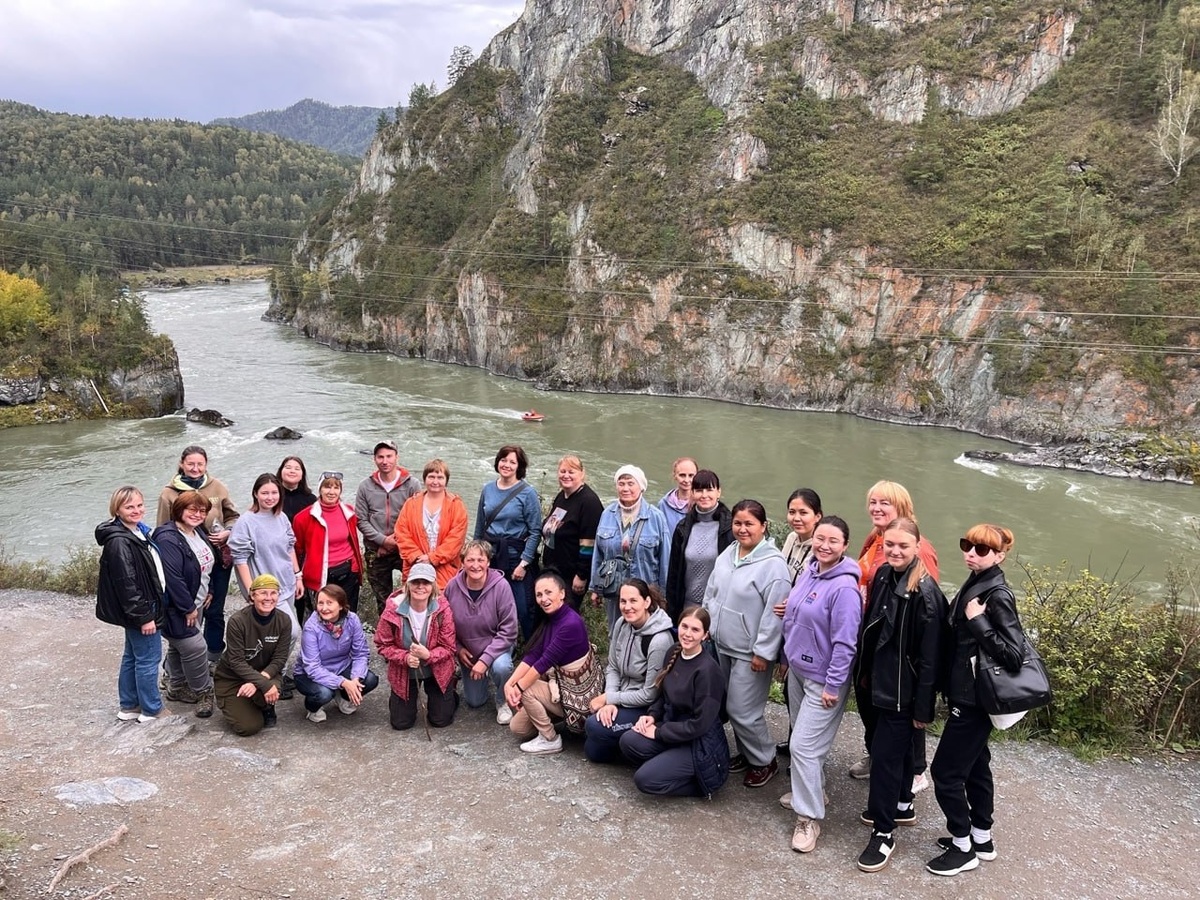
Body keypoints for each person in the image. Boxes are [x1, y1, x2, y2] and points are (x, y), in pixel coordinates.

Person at [926, 524, 1021, 877]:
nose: (970, 553)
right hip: (967, 693)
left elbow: (1013, 654)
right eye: (967, 545)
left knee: (945, 772)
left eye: (981, 550)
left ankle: (962, 847)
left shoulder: (997, 594)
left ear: (999, 556)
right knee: (976, 765)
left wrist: (979, 622)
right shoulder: (977, 580)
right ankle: (981, 837)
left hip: (973, 699)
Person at [854, 517, 944, 872]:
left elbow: (931, 659)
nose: (895, 551)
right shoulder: (883, 575)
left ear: (917, 547)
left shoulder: (925, 594)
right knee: (897, 751)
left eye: (903, 546)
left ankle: (883, 832)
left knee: (884, 759)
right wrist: (864, 674)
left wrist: (923, 709)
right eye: (889, 544)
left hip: (902, 692)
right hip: (880, 682)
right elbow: (872, 630)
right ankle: (903, 804)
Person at [779, 516, 862, 853]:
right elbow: (797, 616)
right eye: (820, 538)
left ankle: (808, 817)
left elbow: (845, 643)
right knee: (803, 740)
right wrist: (786, 655)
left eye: (833, 541)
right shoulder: (809, 571)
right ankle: (815, 790)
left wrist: (834, 685)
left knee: (802, 747)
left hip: (823, 680)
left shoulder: (845, 589)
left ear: (845, 546)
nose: (824, 546)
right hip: (799, 671)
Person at [850, 480, 940, 786]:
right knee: (871, 702)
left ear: (901, 507)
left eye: (884, 503)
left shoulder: (919, 547)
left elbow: (926, 603)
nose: (876, 508)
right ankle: (878, 755)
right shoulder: (876, 538)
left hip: (896, 645)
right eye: (873, 502)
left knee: (900, 707)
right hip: (871, 633)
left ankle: (914, 771)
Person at [703, 499, 792, 788]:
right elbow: (712, 591)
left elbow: (774, 615)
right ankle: (747, 753)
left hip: (750, 652)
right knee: (731, 706)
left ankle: (765, 760)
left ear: (763, 526)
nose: (742, 529)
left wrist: (763, 652)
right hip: (722, 644)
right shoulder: (728, 553)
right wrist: (705, 623)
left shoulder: (774, 566)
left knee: (743, 710)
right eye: (738, 523)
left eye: (749, 524)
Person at [618, 606, 729, 797]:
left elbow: (700, 725)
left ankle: (701, 783)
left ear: (705, 635)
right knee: (628, 741)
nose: (688, 634)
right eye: (684, 627)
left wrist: (659, 733)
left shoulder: (708, 671)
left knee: (644, 780)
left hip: (697, 742)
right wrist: (652, 716)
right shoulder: (674, 651)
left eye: (695, 630)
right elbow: (663, 694)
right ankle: (668, 764)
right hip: (672, 728)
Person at [156, 445, 238, 664]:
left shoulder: (217, 487)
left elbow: (233, 515)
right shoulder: (169, 493)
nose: (195, 468)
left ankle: (213, 656)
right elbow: (162, 529)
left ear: (206, 465)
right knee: (188, 609)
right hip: (185, 561)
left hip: (216, 557)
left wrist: (228, 532)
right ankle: (184, 661)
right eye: (190, 464)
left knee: (215, 609)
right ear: (181, 464)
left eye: (200, 464)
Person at [96, 485, 169, 723]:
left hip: (144, 605)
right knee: (148, 659)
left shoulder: (137, 531)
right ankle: (151, 709)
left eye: (139, 505)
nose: (136, 510)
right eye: (129, 507)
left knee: (132, 656)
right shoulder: (119, 541)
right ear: (117, 510)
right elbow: (126, 584)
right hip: (144, 607)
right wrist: (144, 617)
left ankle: (129, 705)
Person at [228, 473, 303, 696]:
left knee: (281, 632)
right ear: (255, 494)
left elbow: (289, 547)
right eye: (265, 493)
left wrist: (298, 575)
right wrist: (252, 591)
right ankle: (273, 675)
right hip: (265, 590)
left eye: (274, 493)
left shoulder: (281, 517)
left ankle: (275, 673)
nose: (270, 497)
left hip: (286, 583)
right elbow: (240, 559)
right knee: (292, 631)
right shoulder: (246, 522)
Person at [583, 579, 674, 763]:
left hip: (646, 707)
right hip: (622, 697)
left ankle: (641, 744)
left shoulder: (659, 640)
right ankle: (624, 741)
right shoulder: (621, 624)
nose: (627, 607)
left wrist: (610, 698)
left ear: (646, 602)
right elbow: (613, 666)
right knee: (593, 751)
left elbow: (650, 694)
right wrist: (610, 700)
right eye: (623, 601)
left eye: (633, 601)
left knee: (594, 726)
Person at [504, 571, 592, 756]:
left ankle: (550, 739)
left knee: (527, 688)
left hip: (578, 697)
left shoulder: (570, 623)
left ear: (562, 593)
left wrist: (517, 688)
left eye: (548, 592)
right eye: (539, 595)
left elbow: (543, 663)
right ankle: (556, 717)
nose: (543, 599)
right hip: (561, 687)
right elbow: (534, 654)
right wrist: (509, 684)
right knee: (518, 728)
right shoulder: (552, 619)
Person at [151, 490, 217, 718]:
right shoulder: (168, 538)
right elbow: (173, 578)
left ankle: (176, 685)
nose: (197, 515)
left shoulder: (197, 532)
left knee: (178, 645)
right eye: (192, 510)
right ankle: (203, 691)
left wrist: (210, 589)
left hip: (197, 601)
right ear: (179, 510)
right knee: (195, 647)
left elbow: (205, 564)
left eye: (202, 511)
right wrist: (188, 608)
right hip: (178, 606)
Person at [375, 562, 459, 731]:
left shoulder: (443, 609)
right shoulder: (392, 610)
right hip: (405, 671)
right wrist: (404, 657)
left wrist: (429, 655)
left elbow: (449, 647)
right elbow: (382, 644)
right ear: (408, 584)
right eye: (415, 582)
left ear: (433, 585)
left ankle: (450, 695)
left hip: (436, 669)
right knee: (401, 723)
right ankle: (400, 701)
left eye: (426, 582)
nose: (420, 587)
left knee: (441, 720)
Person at [442, 540, 518, 724]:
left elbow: (509, 630)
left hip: (497, 648)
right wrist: (458, 649)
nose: (475, 565)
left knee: (502, 667)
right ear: (462, 562)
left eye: (480, 560)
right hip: (469, 652)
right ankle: (480, 677)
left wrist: (485, 660)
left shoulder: (501, 586)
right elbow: (445, 625)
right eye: (470, 560)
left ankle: (502, 700)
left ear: (488, 562)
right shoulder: (452, 587)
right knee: (475, 702)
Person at [773, 487, 824, 755]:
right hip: (787, 624)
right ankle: (795, 741)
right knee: (789, 691)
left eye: (803, 512)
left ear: (818, 516)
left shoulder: (821, 547)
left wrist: (792, 603)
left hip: (806, 628)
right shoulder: (792, 539)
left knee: (803, 692)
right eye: (792, 512)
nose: (796, 518)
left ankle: (804, 750)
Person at [474, 444, 542, 641]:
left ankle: (530, 648)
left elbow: (535, 531)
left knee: (523, 607)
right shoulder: (488, 489)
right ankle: (495, 646)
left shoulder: (527, 493)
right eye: (503, 460)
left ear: (519, 466)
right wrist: (475, 556)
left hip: (515, 559)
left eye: (512, 462)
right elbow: (480, 526)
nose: (507, 465)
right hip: (490, 557)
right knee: (490, 605)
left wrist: (524, 563)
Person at [589, 465, 670, 630]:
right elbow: (598, 554)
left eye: (630, 483)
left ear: (641, 486)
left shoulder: (656, 517)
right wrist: (595, 587)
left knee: (645, 632)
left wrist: (663, 595)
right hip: (614, 591)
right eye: (621, 483)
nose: (625, 488)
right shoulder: (607, 514)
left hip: (646, 591)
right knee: (616, 631)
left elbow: (665, 560)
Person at [212, 574, 292, 735]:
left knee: (269, 689)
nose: (268, 598)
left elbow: (279, 659)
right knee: (248, 727)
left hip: (266, 672)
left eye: (273, 593)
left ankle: (265, 705)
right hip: (233, 678)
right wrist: (263, 684)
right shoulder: (237, 621)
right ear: (252, 595)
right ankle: (237, 703)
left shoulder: (284, 620)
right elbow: (236, 662)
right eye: (263, 593)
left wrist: (258, 683)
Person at [294, 583, 379, 723]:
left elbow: (360, 653)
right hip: (309, 673)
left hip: (341, 666)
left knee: (369, 680)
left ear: (341, 605)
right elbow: (312, 667)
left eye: (329, 603)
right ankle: (313, 708)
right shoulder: (311, 627)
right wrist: (343, 682)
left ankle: (343, 696)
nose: (324, 608)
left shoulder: (352, 620)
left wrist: (355, 678)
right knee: (324, 693)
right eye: (320, 603)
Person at [355, 440, 420, 617]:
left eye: (389, 456)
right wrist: (382, 541)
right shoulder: (365, 486)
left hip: (405, 548)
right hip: (376, 549)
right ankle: (386, 630)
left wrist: (394, 541)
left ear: (397, 457)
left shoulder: (412, 484)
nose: (385, 461)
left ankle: (410, 628)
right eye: (380, 457)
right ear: (374, 459)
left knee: (412, 593)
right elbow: (361, 520)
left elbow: (415, 518)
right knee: (383, 601)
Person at [664, 469, 732, 623]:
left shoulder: (730, 527)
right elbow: (673, 575)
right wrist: (671, 613)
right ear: (693, 493)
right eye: (699, 490)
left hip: (719, 609)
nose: (704, 495)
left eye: (709, 490)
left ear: (719, 492)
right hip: (688, 609)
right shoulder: (683, 528)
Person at [294, 473, 364, 618]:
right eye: (327, 487)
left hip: (349, 573)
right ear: (320, 489)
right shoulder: (303, 518)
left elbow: (353, 540)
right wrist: (299, 576)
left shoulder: (349, 512)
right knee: (323, 617)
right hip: (321, 576)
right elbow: (298, 550)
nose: (332, 492)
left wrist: (356, 569)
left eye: (336, 487)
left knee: (348, 616)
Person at [395, 458, 468, 591]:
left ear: (446, 480)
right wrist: (417, 557)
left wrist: (432, 558)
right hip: (415, 566)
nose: (435, 481)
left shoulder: (456, 505)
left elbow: (456, 540)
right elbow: (401, 533)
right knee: (416, 598)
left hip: (445, 569)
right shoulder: (411, 504)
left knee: (443, 602)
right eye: (431, 477)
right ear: (425, 479)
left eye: (440, 477)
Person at [541, 455, 604, 607]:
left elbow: (590, 543)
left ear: (582, 473)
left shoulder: (589, 502)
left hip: (571, 575)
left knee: (565, 614)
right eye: (562, 471)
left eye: (571, 472)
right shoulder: (562, 496)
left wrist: (581, 575)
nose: (566, 475)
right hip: (553, 570)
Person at [657, 456, 697, 539]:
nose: (686, 480)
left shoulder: (702, 504)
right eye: (682, 475)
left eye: (691, 475)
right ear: (675, 476)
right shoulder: (663, 505)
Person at [277, 456, 317, 522]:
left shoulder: (311, 499)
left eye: (297, 469)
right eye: (288, 468)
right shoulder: (272, 497)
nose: (292, 471)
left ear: (302, 475)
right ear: (280, 471)